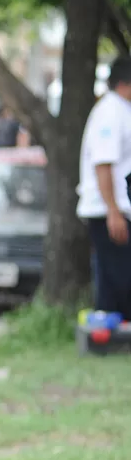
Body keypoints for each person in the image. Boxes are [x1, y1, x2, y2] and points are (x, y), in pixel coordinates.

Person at [78, 56, 131, 316]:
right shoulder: (110, 112)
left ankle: (110, 332)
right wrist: (113, 211)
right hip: (109, 210)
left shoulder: (122, 109)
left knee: (112, 280)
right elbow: (103, 165)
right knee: (123, 277)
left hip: (118, 209)